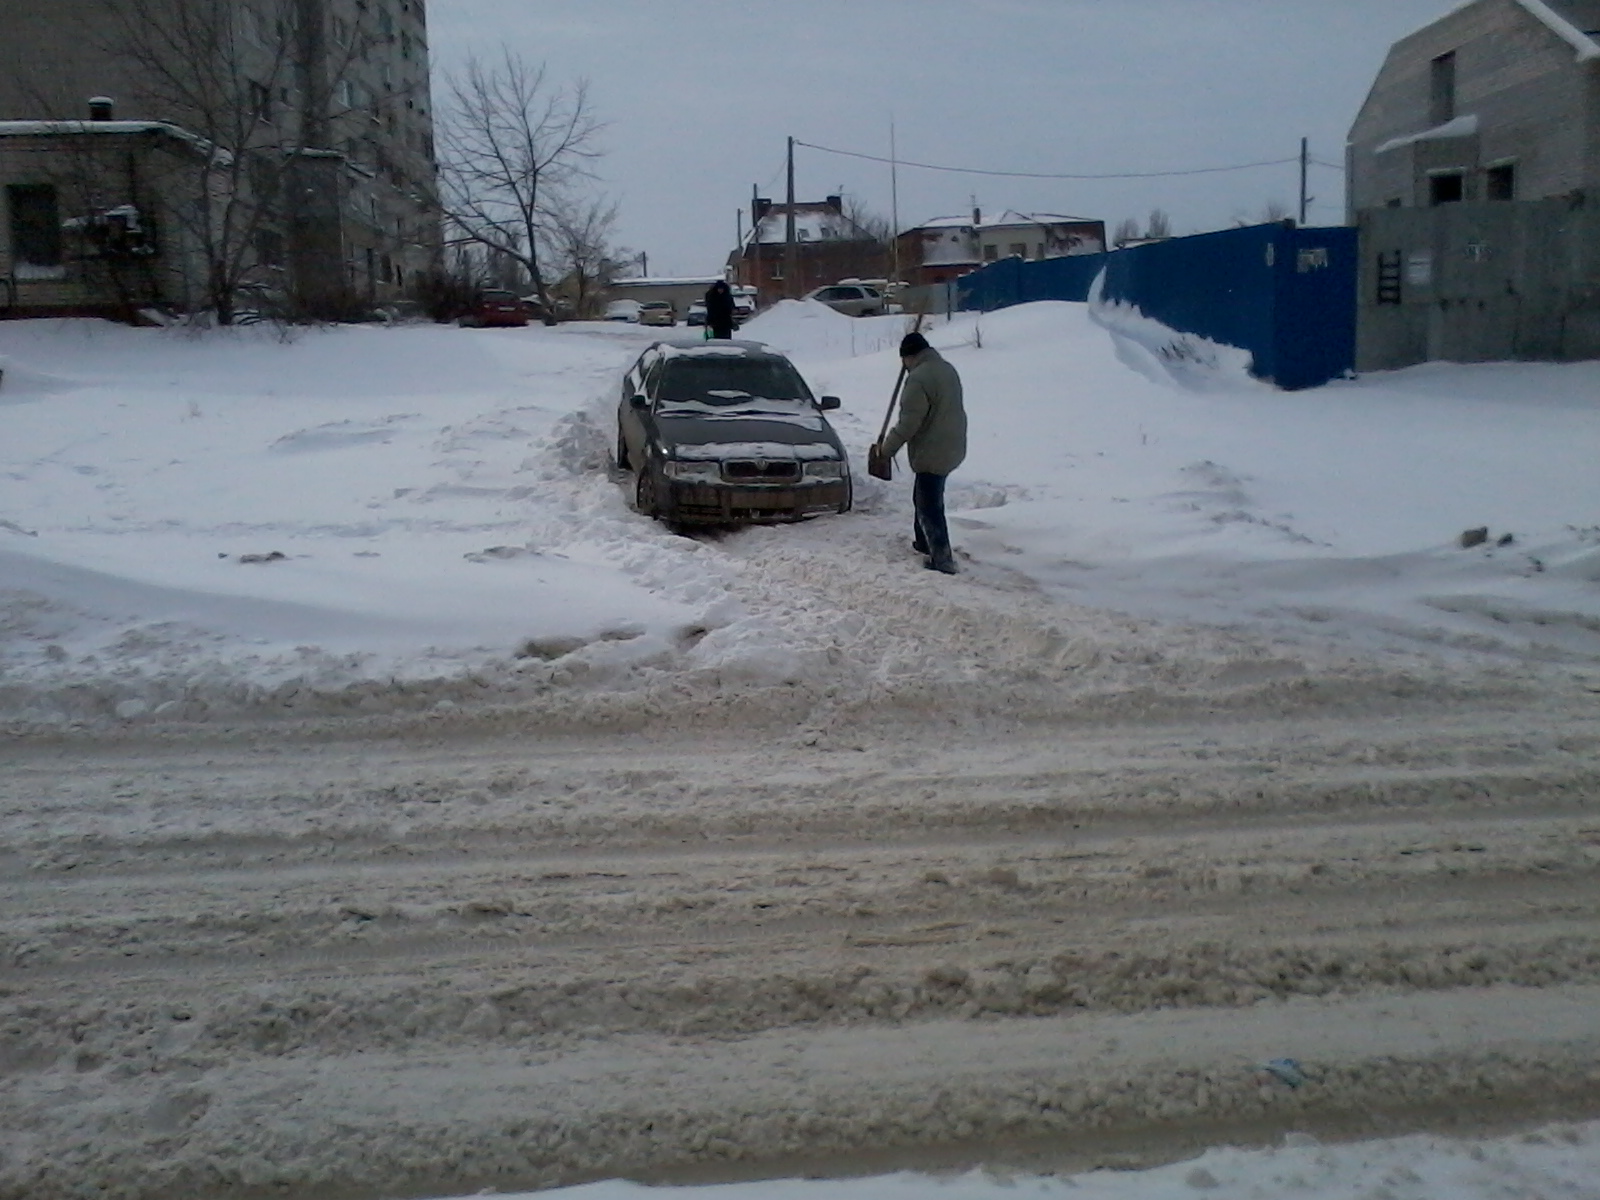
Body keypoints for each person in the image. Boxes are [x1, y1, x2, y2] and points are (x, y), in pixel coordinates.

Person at [874, 332, 966, 574]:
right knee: (925, 495)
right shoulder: (946, 369)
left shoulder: (918, 379)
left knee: (929, 506)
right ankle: (923, 542)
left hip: (932, 448)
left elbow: (908, 423)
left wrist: (886, 450)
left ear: (909, 356)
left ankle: (942, 559)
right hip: (953, 444)